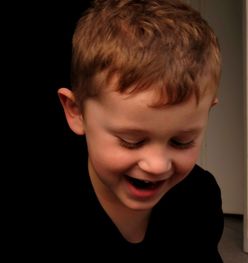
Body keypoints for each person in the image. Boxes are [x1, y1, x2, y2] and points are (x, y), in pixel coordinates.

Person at [56, 0, 224, 261]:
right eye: (131, 141)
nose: (156, 165)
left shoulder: (200, 197)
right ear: (77, 112)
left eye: (181, 141)